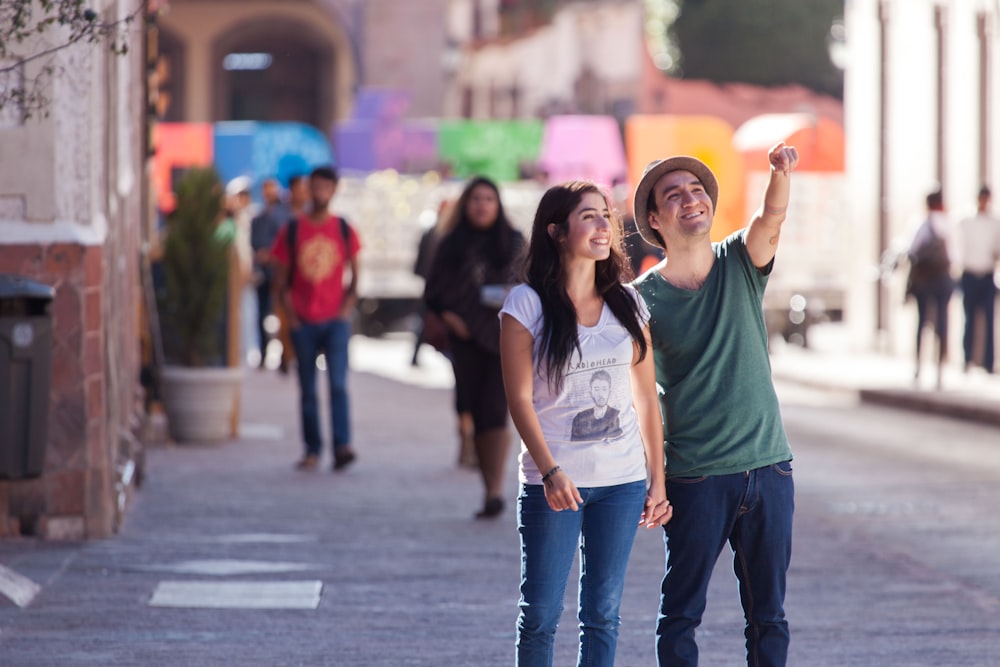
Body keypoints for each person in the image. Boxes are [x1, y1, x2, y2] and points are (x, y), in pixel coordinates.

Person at [632, 143, 799, 667]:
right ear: (655, 219)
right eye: (674, 194)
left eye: (698, 189)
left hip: (769, 468)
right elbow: (643, 403)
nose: (691, 199)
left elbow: (772, 215)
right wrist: (654, 480)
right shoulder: (640, 300)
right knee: (681, 616)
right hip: (696, 478)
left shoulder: (741, 261)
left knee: (768, 616)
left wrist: (779, 173)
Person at [499, 180, 670, 666]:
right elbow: (519, 400)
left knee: (603, 613)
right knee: (540, 615)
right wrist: (550, 471)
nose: (603, 226)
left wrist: (657, 480)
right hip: (555, 482)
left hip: (621, 483)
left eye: (605, 216)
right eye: (589, 216)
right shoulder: (526, 306)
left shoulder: (628, 304)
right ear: (556, 231)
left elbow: (646, 399)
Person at [424, 176, 525, 518]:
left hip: (504, 338)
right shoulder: (450, 243)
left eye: (489, 199)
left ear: (498, 205)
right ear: (466, 204)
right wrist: (448, 315)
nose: (482, 205)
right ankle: (487, 487)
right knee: (475, 411)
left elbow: (533, 283)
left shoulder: (512, 242)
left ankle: (496, 489)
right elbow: (432, 292)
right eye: (476, 199)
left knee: (497, 410)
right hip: (464, 339)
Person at [271, 166, 360, 472]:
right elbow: (280, 281)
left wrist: (346, 309)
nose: (321, 193)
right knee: (308, 390)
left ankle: (342, 446)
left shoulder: (345, 229)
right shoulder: (293, 230)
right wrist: (290, 320)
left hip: (335, 321)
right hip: (303, 321)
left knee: (337, 384)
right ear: (308, 190)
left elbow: (356, 276)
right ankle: (312, 449)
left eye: (326, 187)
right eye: (316, 187)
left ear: (335, 190)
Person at [906, 190, 954, 388]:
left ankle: (919, 367)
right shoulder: (949, 224)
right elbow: (956, 255)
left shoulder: (922, 224)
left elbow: (911, 250)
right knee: (942, 324)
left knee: (922, 322)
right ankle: (940, 371)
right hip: (943, 278)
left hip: (925, 280)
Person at [956, 185, 1000, 374]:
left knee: (990, 319)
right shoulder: (965, 221)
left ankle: (989, 362)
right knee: (969, 319)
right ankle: (968, 359)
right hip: (969, 273)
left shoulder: (995, 222)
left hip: (987, 274)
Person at [250, 177, 291, 369]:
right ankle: (264, 352)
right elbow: (254, 243)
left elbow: (284, 240)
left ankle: (286, 354)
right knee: (262, 315)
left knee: (281, 313)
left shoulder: (283, 215)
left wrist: (272, 254)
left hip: (278, 272)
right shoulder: (258, 218)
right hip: (263, 273)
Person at [273, 173, 311, 374]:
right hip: (286, 277)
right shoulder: (280, 215)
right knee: (285, 320)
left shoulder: (311, 215)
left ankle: (301, 356)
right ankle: (287, 354)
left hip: (306, 279)